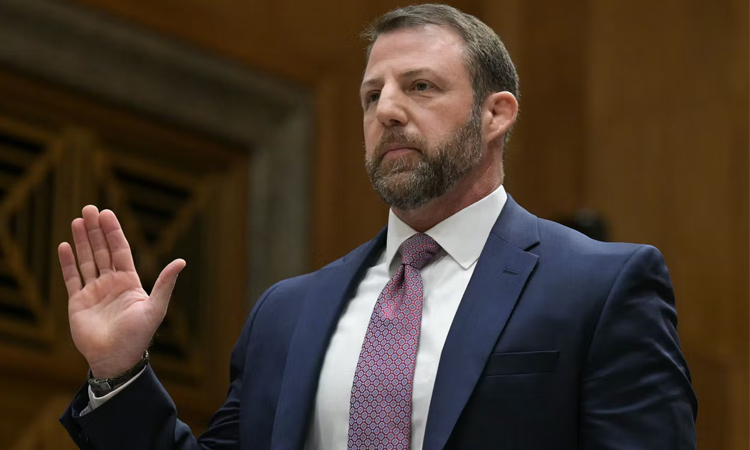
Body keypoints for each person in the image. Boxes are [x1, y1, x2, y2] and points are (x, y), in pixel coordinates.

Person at [58, 4, 697, 449]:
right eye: (371, 95)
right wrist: (120, 372)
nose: (387, 110)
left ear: (496, 113)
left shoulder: (600, 286)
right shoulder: (286, 313)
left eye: (420, 86)